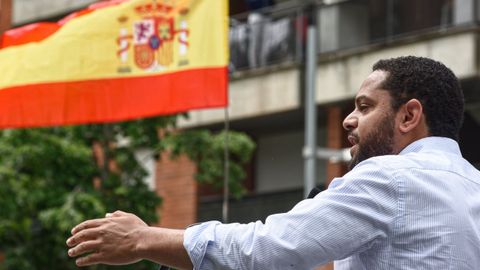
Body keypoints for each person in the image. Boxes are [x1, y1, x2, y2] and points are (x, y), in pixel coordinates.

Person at [66, 56, 480, 269]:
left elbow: (265, 250)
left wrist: (142, 239)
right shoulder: (472, 185)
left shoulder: (390, 178)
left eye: (365, 107)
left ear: (409, 116)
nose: (349, 119)